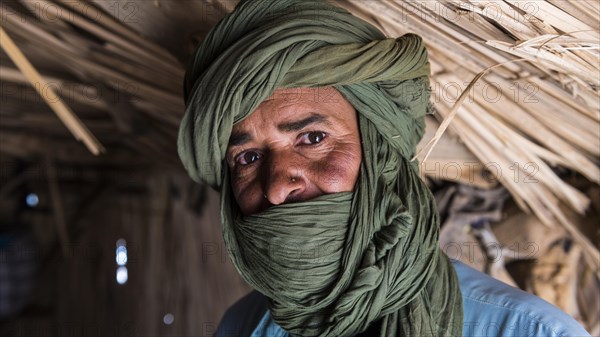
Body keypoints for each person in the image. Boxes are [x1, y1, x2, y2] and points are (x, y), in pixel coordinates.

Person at [177, 0, 592, 336]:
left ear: (381, 156)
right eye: (248, 158)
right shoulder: (239, 328)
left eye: (313, 139)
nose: (276, 187)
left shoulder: (530, 331)